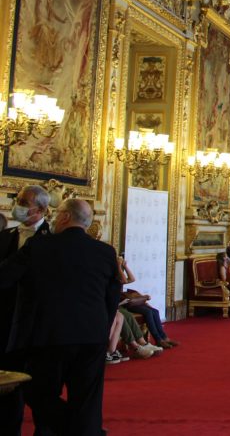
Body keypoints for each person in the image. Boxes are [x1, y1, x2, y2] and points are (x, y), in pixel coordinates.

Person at [0, 198, 121, 436]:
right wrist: (102, 328)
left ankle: (72, 429)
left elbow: (4, 278)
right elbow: (112, 296)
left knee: (39, 393)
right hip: (91, 335)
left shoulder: (39, 246)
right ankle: (85, 431)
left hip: (48, 335)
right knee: (88, 399)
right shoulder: (106, 252)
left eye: (57, 214)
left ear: (65, 216)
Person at [0, 184, 51, 433]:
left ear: (40, 209)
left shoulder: (52, 242)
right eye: (17, 200)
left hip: (36, 323)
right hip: (5, 321)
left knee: (39, 388)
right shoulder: (4, 237)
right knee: (6, 383)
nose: (17, 206)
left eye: (23, 202)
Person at [118, 256, 178, 349]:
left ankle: (164, 337)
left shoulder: (119, 272)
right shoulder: (113, 275)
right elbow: (125, 280)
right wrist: (118, 266)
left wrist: (125, 266)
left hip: (127, 300)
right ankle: (158, 340)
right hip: (122, 303)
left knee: (155, 311)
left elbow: (132, 279)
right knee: (148, 312)